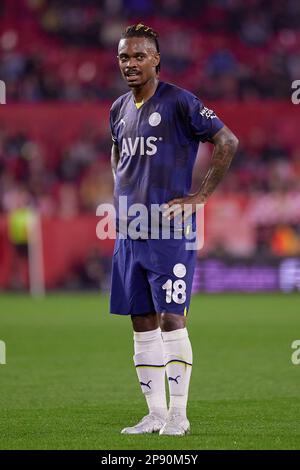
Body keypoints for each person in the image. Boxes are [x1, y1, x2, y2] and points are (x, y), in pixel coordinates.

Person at [109, 23, 239, 436]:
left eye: (139, 56)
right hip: (130, 232)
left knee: (171, 318)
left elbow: (227, 142)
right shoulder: (117, 109)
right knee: (142, 321)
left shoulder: (181, 101)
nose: (130, 63)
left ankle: (179, 414)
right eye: (125, 57)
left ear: (156, 59)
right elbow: (118, 154)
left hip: (169, 231)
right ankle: (155, 414)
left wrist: (198, 198)